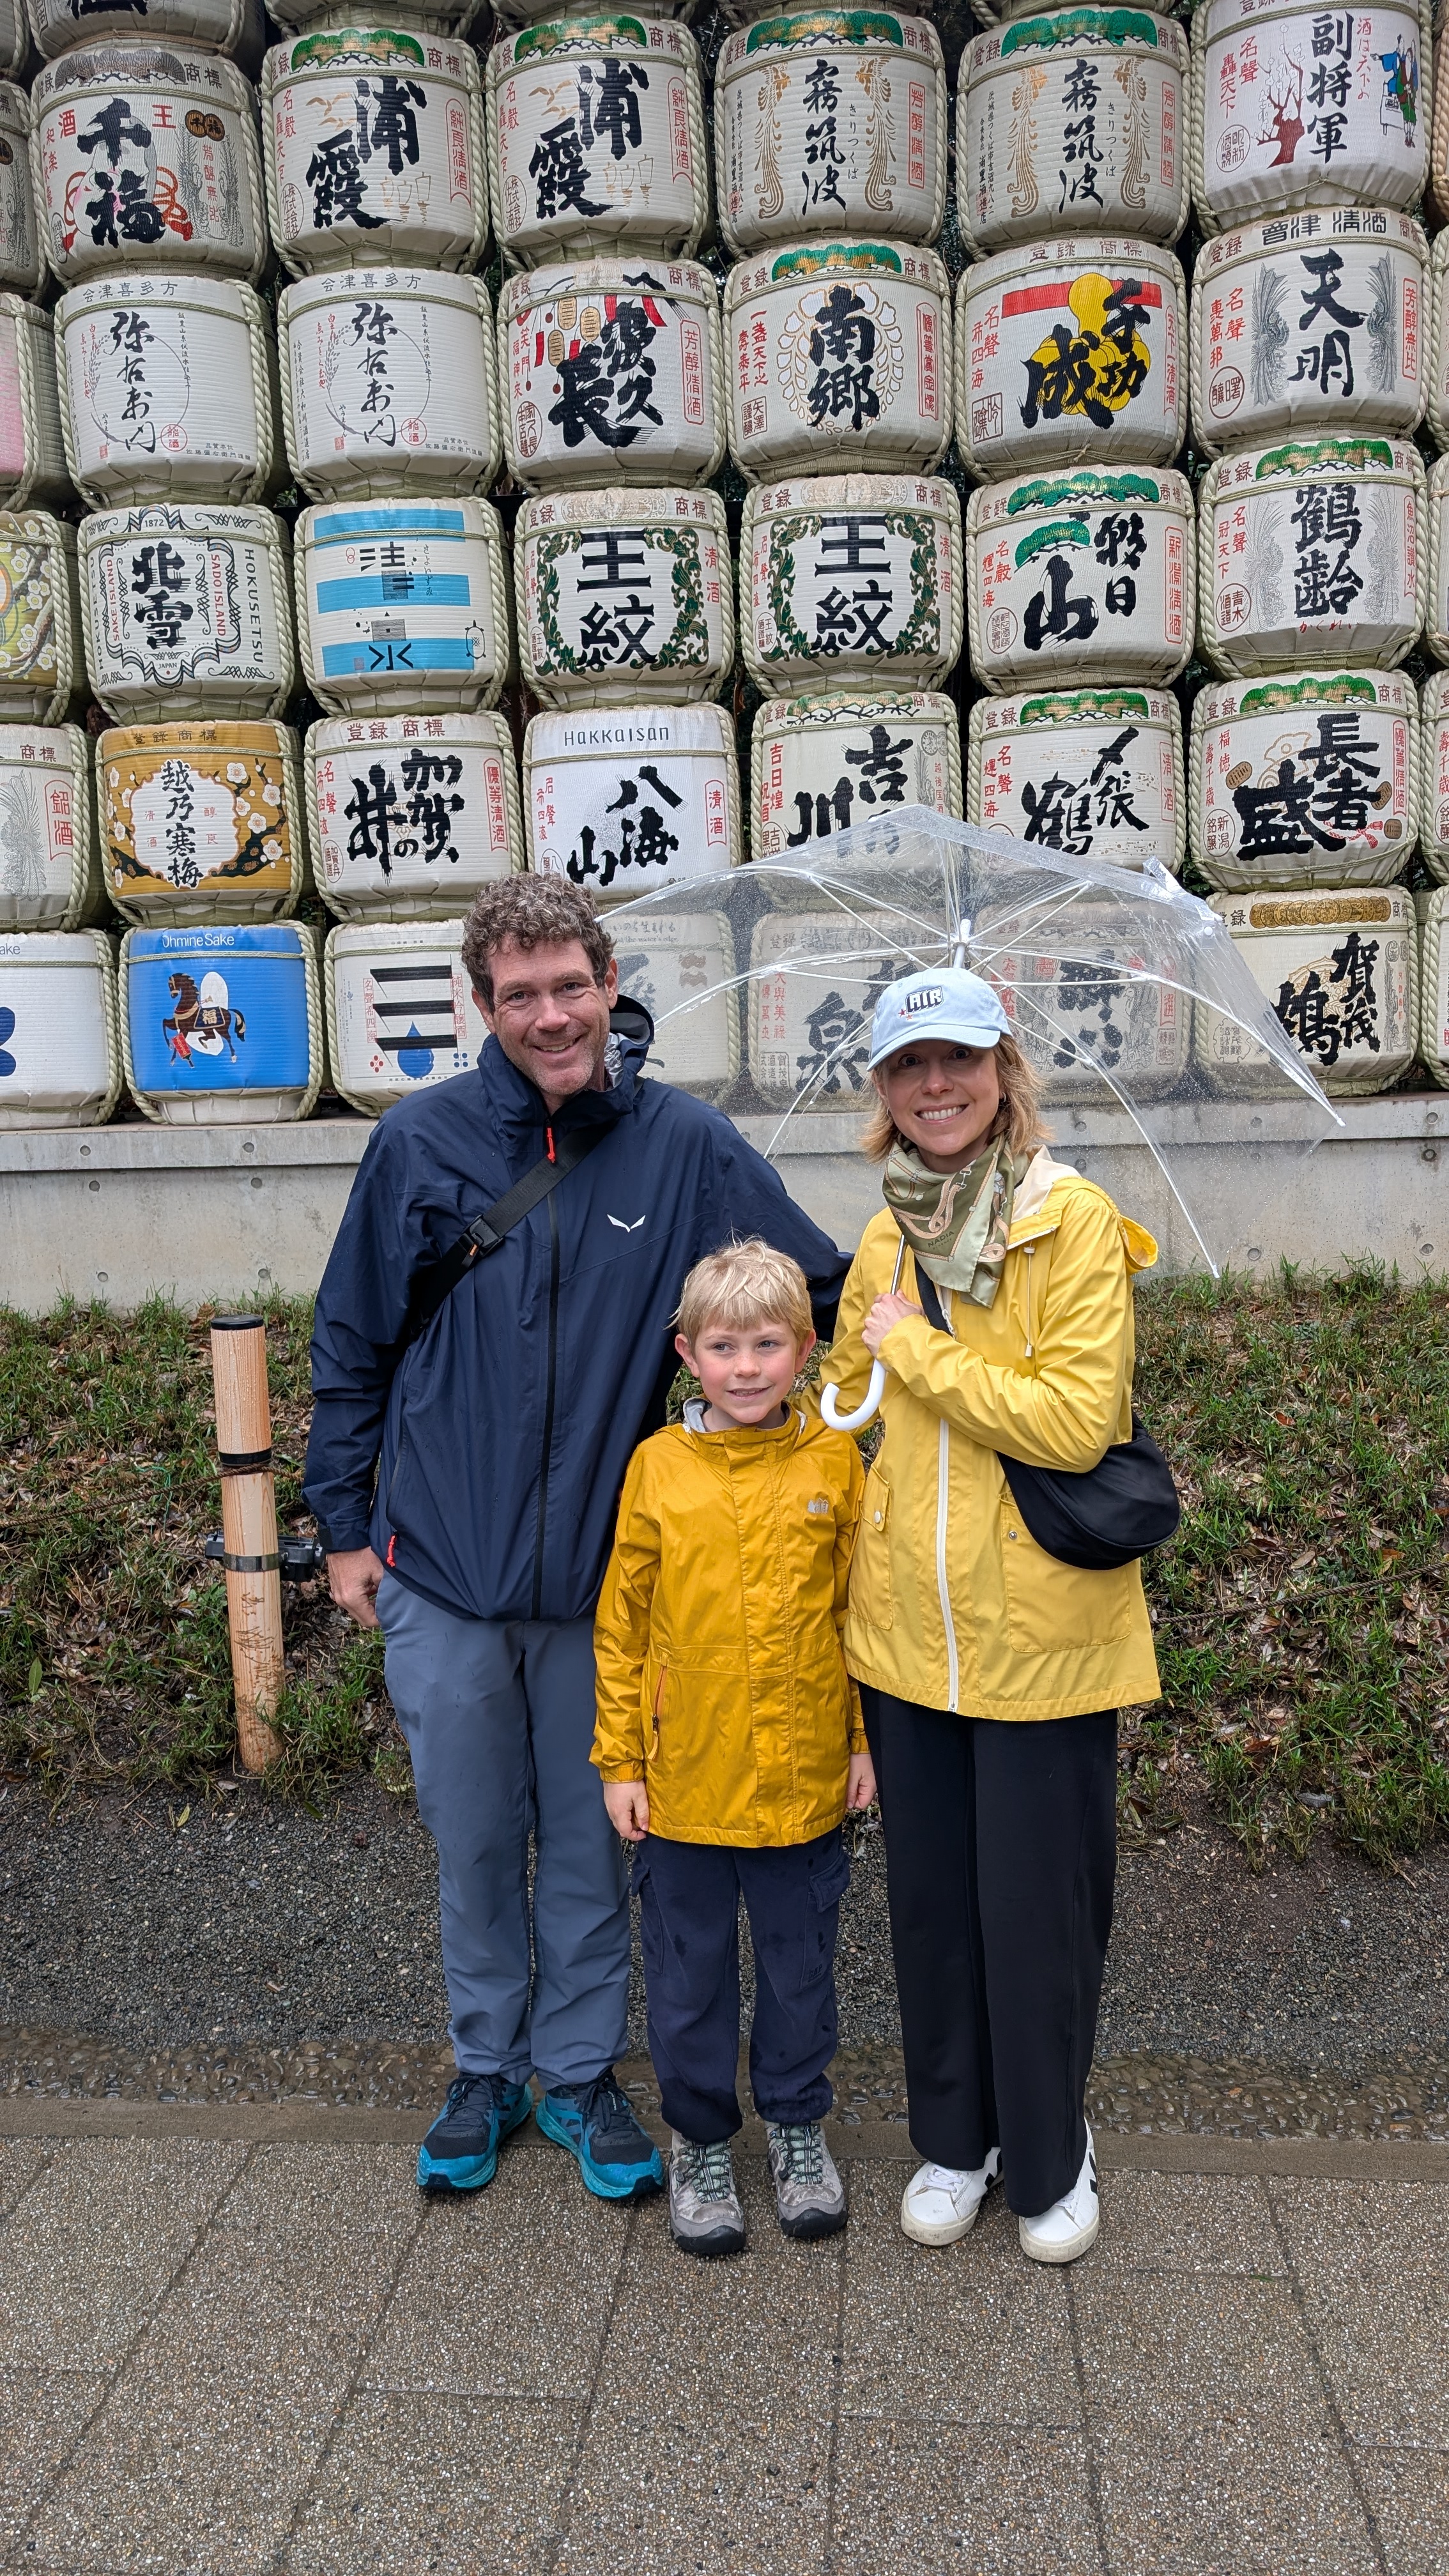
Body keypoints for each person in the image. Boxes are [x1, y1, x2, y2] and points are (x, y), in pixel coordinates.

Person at [303, 877, 849, 2205]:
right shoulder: (422, 1145)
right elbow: (352, 1341)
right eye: (520, 994)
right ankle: (484, 2063)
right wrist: (341, 1529)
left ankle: (580, 2070)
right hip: (441, 1569)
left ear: (611, 983)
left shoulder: (685, 1146)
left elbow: (820, 1289)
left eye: (570, 986)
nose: (551, 1016)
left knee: (601, 1839)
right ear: (480, 1005)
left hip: (615, 1590)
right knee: (477, 1838)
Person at [819, 965, 1162, 2262]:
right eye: (909, 1067)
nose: (936, 1087)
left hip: (1045, 1640)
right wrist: (831, 1391)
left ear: (1004, 1070)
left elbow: (1078, 1421)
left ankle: (1053, 2154)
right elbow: (850, 1401)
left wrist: (916, 1352)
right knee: (934, 1913)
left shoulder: (1070, 1224)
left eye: (959, 1060)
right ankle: (953, 2142)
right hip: (906, 1634)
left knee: (1041, 1915)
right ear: (885, 1094)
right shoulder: (881, 1236)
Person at [592, 1240, 874, 2257]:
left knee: (802, 1970)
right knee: (687, 1975)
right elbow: (623, 1623)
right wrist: (621, 1759)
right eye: (724, 1347)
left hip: (801, 1781)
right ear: (687, 1354)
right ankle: (701, 2141)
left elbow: (859, 1615)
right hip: (683, 1785)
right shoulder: (658, 1468)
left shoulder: (834, 1461)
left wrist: (860, 1744)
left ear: (805, 1350)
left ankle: (799, 2127)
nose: (746, 1368)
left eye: (767, 1345)